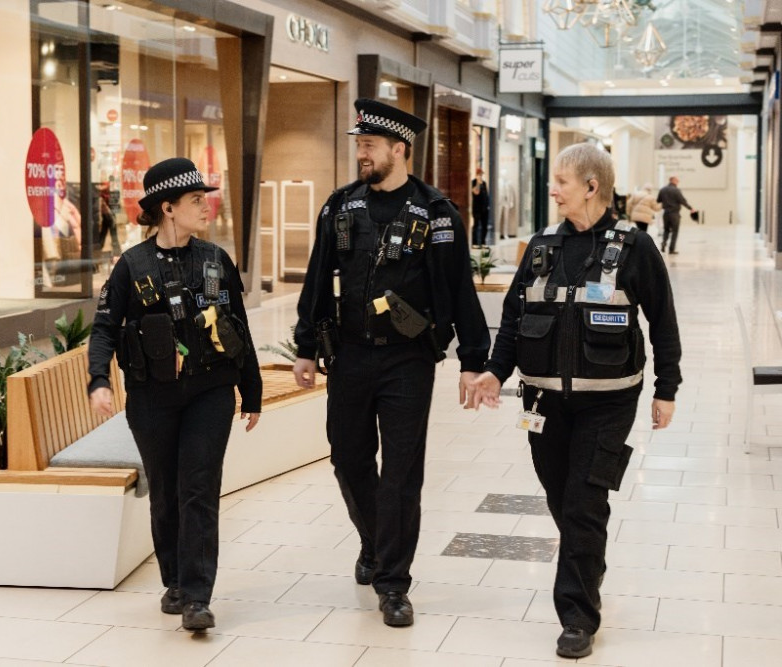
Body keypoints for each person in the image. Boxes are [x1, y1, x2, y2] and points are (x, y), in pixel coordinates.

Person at [464, 143, 682, 659]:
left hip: (608, 403)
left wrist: (666, 389)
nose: (552, 189)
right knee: (562, 499)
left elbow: (664, 321)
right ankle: (589, 562)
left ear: (592, 186)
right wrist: (496, 372)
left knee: (584, 504)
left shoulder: (634, 248)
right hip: (542, 404)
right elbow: (515, 318)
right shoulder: (541, 247)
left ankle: (578, 617)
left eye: (561, 181)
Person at [292, 98, 490, 628]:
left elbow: (459, 291)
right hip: (349, 356)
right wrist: (305, 346)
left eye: (369, 146)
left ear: (399, 149)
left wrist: (474, 359)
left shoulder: (437, 214)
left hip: (408, 361)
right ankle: (375, 540)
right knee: (347, 458)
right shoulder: (340, 208)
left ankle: (394, 582)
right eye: (359, 145)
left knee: (402, 472)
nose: (361, 154)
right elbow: (316, 280)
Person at [87, 157, 262, 632]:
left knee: (198, 490)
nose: (207, 208)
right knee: (165, 492)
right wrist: (99, 380)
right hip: (152, 399)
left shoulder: (216, 260)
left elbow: (239, 328)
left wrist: (253, 391)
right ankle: (177, 582)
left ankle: (198, 596)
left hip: (210, 392)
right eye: (196, 200)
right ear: (167, 208)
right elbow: (104, 328)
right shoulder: (131, 266)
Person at [656, 175, 695, 254]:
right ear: (673, 181)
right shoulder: (676, 190)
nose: (678, 182)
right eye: (677, 181)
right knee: (675, 231)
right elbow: (682, 201)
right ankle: (671, 249)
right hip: (674, 214)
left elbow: (658, 200)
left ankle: (664, 242)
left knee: (666, 230)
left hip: (666, 213)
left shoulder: (662, 190)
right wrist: (690, 208)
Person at [471, 167, 490, 247]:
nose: (481, 175)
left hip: (484, 208)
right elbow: (476, 192)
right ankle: (474, 242)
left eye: (481, 174)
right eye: (479, 174)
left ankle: (483, 242)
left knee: (484, 226)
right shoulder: (474, 182)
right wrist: (478, 183)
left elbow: (486, 195)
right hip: (477, 208)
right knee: (476, 225)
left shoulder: (484, 183)